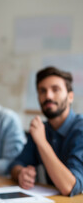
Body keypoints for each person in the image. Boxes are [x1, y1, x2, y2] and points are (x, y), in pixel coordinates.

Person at [10, 66, 83, 196]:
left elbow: (70, 186)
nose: (48, 96)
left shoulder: (80, 128)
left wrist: (42, 142)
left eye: (55, 89)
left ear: (70, 97)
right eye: (42, 91)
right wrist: (21, 173)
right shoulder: (41, 129)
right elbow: (16, 163)